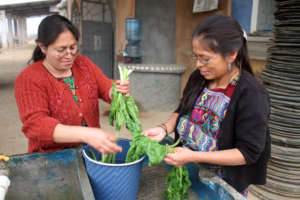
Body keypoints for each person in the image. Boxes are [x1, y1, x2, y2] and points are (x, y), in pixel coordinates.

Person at [143, 14, 270, 197]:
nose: (198, 64)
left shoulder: (251, 94)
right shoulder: (199, 77)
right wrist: (164, 128)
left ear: (232, 54)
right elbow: (183, 109)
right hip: (189, 171)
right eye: (196, 57)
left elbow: (247, 153)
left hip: (223, 184)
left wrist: (192, 156)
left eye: (205, 58)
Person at [14, 14, 129, 154]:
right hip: (51, 157)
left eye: (73, 47)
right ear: (43, 47)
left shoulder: (83, 64)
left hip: (89, 151)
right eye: (61, 50)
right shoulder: (29, 78)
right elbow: (36, 124)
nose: (69, 55)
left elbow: (105, 87)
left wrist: (115, 90)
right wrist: (85, 134)